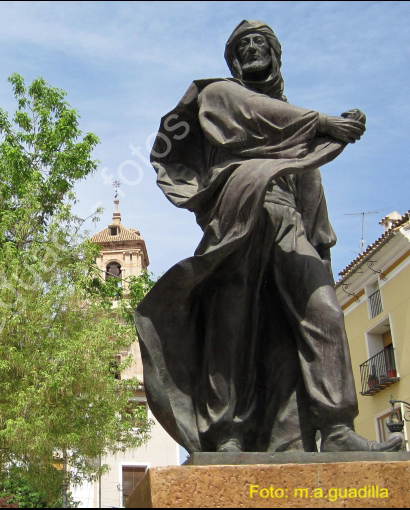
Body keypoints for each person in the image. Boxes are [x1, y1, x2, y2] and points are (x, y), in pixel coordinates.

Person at [134, 20, 402, 454]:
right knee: (231, 324)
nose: (252, 48)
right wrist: (323, 123)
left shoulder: (294, 126)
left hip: (286, 217)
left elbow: (308, 179)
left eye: (261, 42)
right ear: (233, 59)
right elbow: (260, 116)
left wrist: (320, 236)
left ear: (276, 55)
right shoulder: (219, 95)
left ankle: (335, 428)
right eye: (243, 44)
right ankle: (226, 435)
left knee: (325, 313)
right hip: (238, 212)